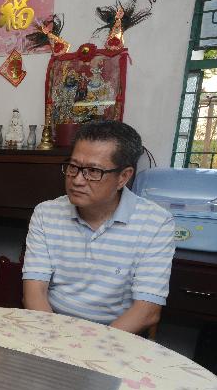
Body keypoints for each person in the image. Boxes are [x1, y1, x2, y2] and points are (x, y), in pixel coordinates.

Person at [22, 120, 175, 335]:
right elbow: (34, 292)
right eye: (73, 167)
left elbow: (147, 310)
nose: (77, 180)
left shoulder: (156, 223)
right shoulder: (46, 213)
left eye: (93, 171)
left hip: (115, 335)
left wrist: (90, 347)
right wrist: (54, 341)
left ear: (123, 177)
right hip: (50, 328)